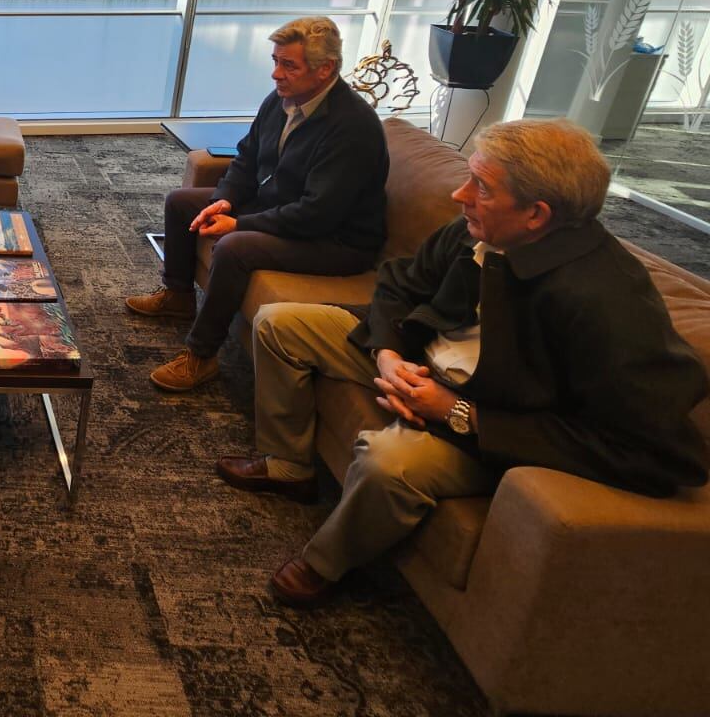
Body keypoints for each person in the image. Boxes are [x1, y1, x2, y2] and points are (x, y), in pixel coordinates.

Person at [217, 119, 708, 608]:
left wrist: (458, 414)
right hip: (418, 360)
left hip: (489, 419)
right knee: (280, 324)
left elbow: (652, 454)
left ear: (536, 214)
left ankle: (327, 563)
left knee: (388, 464)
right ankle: (289, 465)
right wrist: (387, 354)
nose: (459, 194)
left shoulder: (607, 302)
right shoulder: (481, 231)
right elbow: (398, 284)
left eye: (481, 187)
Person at [127, 17, 389, 392]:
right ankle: (177, 294)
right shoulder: (282, 100)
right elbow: (247, 158)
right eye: (275, 61)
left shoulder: (352, 128)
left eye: (289, 65)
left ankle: (202, 356)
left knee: (235, 247)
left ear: (326, 69)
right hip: (283, 207)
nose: (275, 74)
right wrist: (224, 202)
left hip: (337, 240)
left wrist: (238, 225)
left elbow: (318, 214)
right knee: (183, 202)